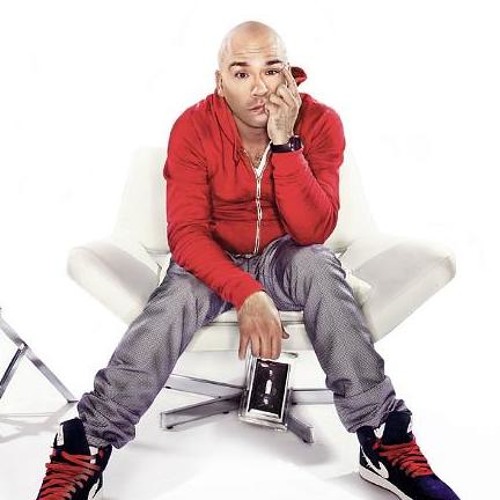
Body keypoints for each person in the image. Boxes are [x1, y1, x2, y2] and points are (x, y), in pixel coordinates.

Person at [35, 21, 460, 500]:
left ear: (290, 75)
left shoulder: (320, 122)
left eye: (271, 70)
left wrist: (286, 144)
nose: (259, 87)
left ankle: (382, 436)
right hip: (212, 255)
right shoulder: (194, 126)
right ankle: (87, 441)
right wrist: (248, 293)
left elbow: (314, 231)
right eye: (242, 73)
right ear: (220, 82)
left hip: (286, 253)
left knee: (320, 265)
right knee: (175, 298)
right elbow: (187, 234)